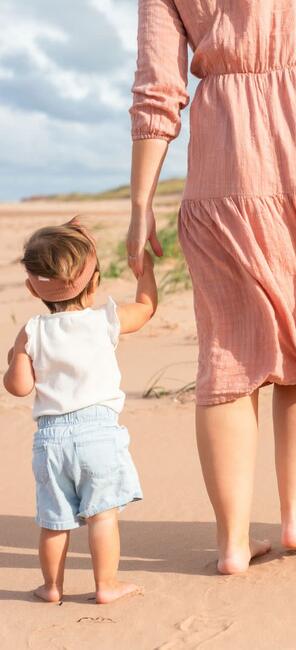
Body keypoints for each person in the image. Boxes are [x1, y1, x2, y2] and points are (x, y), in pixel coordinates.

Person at [127, 0, 296, 574]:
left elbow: (158, 87)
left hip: (226, 167)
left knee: (228, 353)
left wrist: (140, 202)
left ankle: (231, 543)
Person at [3, 218, 157, 604]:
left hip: (51, 441)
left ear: (31, 287)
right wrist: (147, 273)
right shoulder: (105, 319)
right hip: (99, 435)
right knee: (102, 515)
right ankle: (106, 585)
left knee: (54, 521)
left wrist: (14, 359)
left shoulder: (33, 330)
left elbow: (19, 387)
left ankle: (52, 587)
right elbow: (145, 308)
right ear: (95, 282)